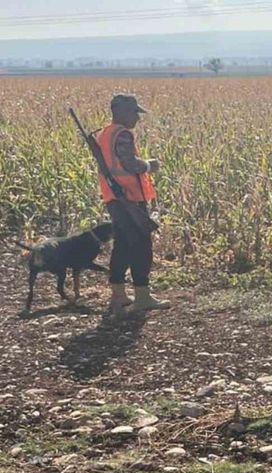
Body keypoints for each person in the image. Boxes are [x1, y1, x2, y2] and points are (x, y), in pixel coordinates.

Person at [96, 94, 170, 315]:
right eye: (134, 113)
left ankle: (119, 294)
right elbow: (130, 163)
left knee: (123, 245)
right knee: (141, 246)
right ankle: (142, 296)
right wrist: (148, 165)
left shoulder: (104, 134)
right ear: (122, 112)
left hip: (114, 198)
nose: (137, 118)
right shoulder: (123, 134)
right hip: (129, 198)